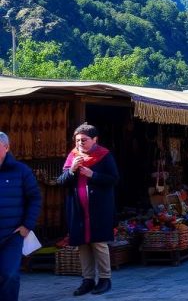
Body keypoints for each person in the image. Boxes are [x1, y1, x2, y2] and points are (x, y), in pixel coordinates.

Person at [56, 123, 119, 296]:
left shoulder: (104, 155)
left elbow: (114, 179)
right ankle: (88, 280)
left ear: (95, 140)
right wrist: (72, 170)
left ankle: (105, 279)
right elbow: (61, 181)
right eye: (77, 140)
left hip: (99, 209)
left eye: (84, 140)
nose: (79, 144)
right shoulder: (72, 157)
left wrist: (94, 175)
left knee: (99, 243)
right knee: (82, 244)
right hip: (78, 210)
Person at [0, 131, 41, 301]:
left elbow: (35, 198)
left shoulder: (21, 170)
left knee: (9, 275)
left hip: (12, 235)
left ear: (6, 147)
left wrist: (27, 226)